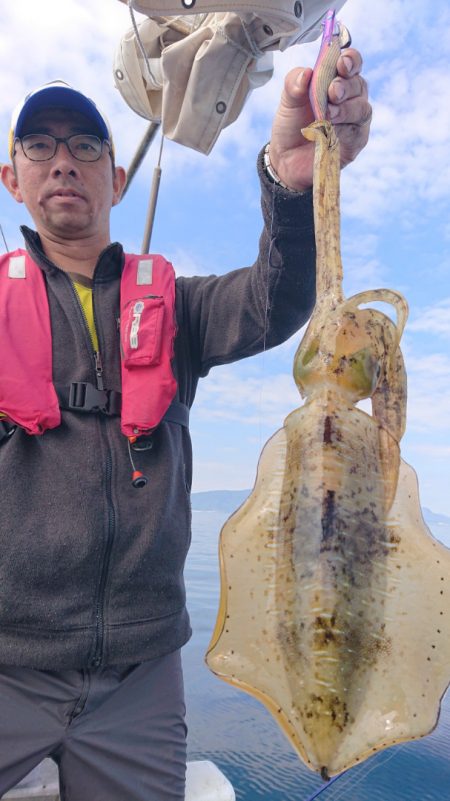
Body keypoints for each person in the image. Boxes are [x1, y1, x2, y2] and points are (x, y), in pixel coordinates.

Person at [0, 47, 371, 801]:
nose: (62, 161)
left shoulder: (181, 309)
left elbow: (278, 297)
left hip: (141, 674)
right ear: (13, 178)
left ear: (118, 177)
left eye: (85, 145)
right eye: (39, 145)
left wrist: (291, 187)